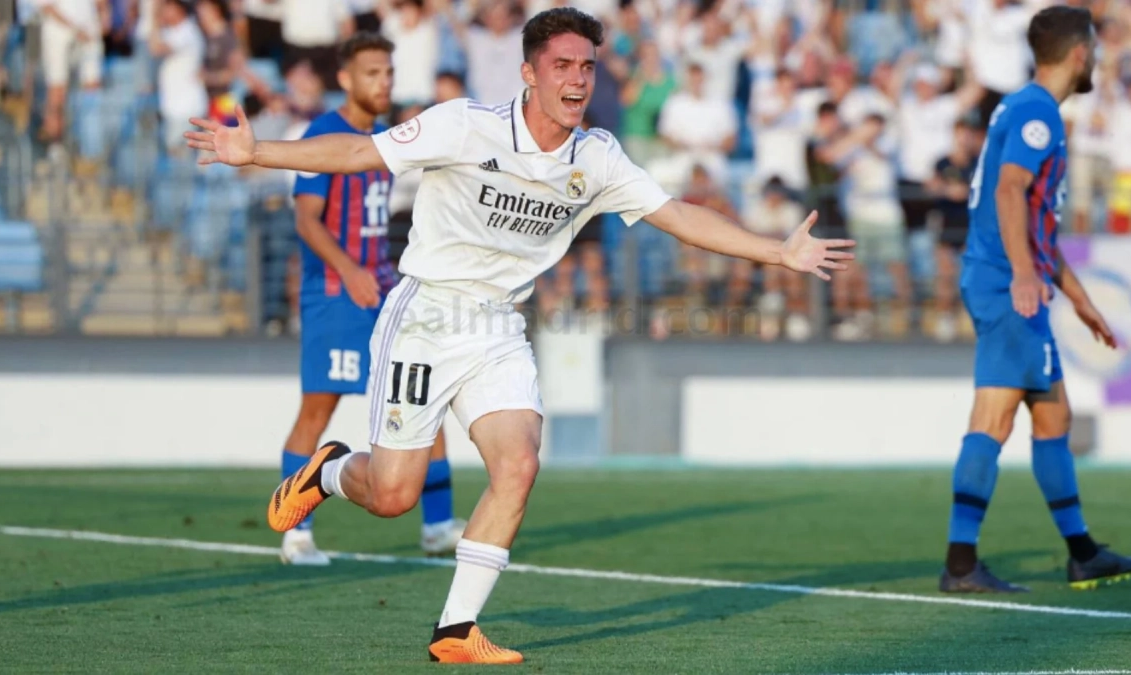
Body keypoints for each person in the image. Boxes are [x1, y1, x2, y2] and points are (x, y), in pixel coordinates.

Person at [186, 7, 853, 663]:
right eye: (562, 65)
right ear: (529, 73)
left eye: (587, 67)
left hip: (498, 325)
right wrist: (257, 152)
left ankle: (456, 629)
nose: (578, 79)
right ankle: (329, 469)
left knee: (520, 464)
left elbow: (676, 214)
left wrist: (776, 251)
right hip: (427, 315)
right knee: (391, 497)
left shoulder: (597, 157)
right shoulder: (465, 125)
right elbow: (362, 151)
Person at [943, 5, 1131, 593]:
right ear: (1080, 53)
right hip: (1005, 281)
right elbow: (1010, 192)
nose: (1097, 60)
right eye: (1095, 51)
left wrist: (1078, 298)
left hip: (1001, 275)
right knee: (994, 417)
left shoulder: (1020, 105)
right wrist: (1024, 274)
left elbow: (1034, 221)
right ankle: (961, 564)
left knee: (1052, 413)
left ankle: (1082, 552)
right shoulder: (1039, 115)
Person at [277, 32, 464, 566]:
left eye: (388, 72)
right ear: (345, 78)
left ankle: (438, 525)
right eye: (372, 73)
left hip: (383, 294)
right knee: (318, 410)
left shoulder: (385, 138)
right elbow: (306, 221)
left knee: (424, 400)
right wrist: (349, 269)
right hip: (336, 296)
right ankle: (296, 533)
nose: (384, 83)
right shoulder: (322, 135)